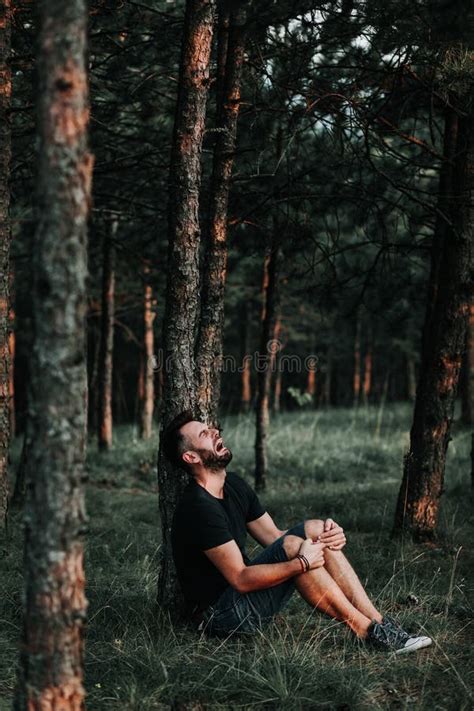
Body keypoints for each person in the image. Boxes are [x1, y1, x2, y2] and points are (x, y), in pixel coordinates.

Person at [164, 411, 432, 654]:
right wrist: (301, 563)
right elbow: (241, 578)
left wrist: (329, 536)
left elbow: (273, 536)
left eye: (211, 429)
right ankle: (366, 632)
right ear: (191, 457)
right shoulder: (198, 507)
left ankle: (381, 623)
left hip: (241, 599)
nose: (215, 433)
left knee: (315, 528)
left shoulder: (233, 484)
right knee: (295, 546)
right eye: (204, 434)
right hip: (221, 616)